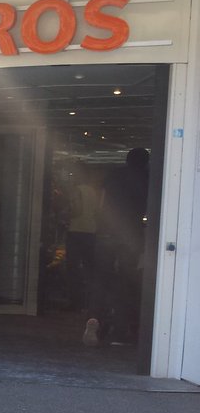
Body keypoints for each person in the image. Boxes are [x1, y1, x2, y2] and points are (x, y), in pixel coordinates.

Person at [85, 148, 149, 347]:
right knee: (126, 281)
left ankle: (95, 318)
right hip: (130, 234)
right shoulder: (148, 178)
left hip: (106, 232)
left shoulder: (113, 175)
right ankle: (120, 331)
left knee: (101, 279)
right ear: (145, 162)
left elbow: (102, 203)